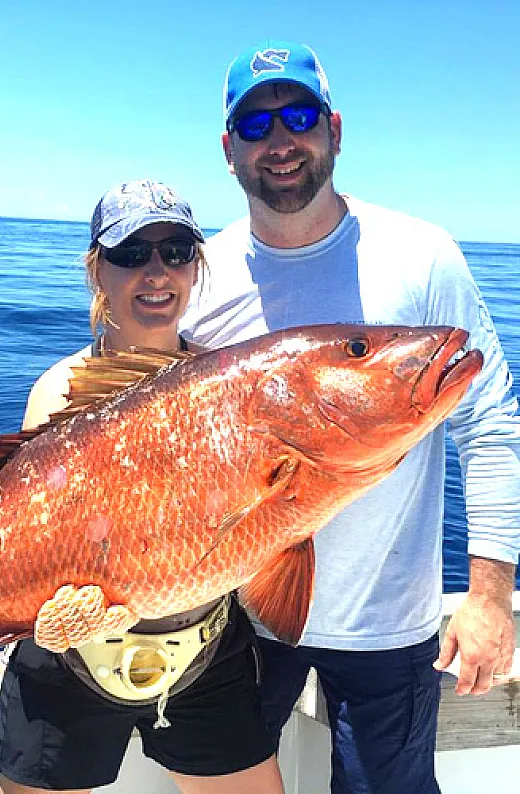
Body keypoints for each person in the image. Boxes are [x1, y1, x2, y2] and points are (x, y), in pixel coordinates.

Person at [178, 40, 520, 793]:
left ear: (334, 127)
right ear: (229, 149)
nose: (281, 140)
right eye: (257, 124)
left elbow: (490, 426)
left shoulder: (422, 256)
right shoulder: (198, 278)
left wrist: (491, 599)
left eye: (298, 114)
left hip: (388, 627)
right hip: (237, 623)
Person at [0, 179, 285, 794]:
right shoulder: (58, 393)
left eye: (176, 251)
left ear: (195, 267)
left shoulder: (224, 384)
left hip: (206, 651)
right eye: (130, 253)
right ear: (98, 271)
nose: (157, 271)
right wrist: (45, 614)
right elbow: (22, 542)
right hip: (69, 663)